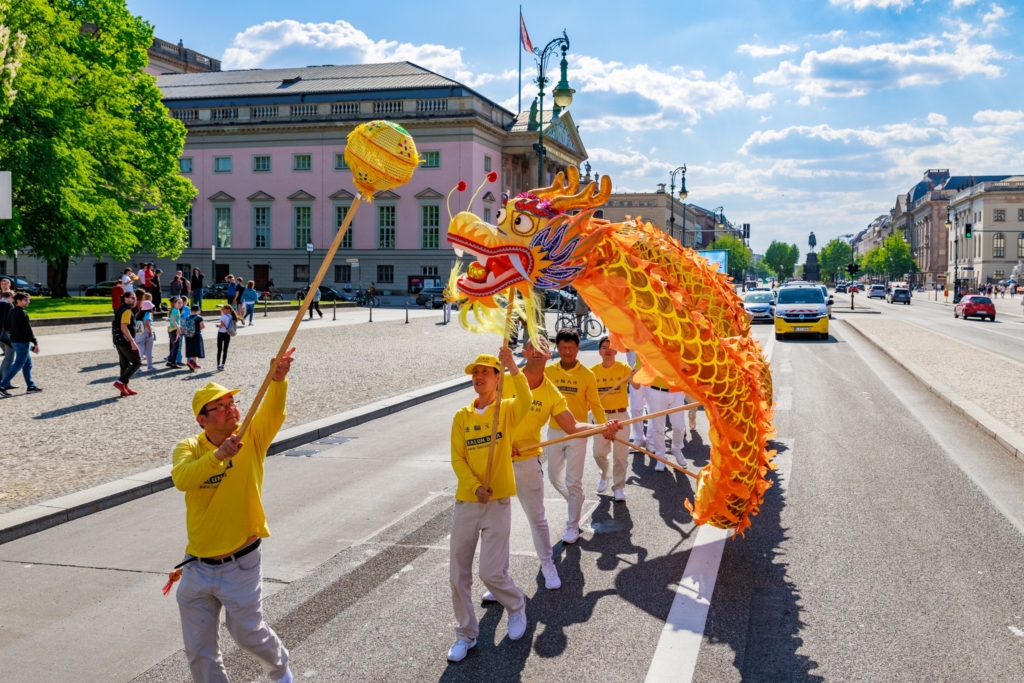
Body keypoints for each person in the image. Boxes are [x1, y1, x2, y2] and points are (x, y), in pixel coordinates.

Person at [170, 350, 296, 683]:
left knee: (248, 635)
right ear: (202, 419)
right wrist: (218, 456)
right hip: (196, 565)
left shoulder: (252, 436)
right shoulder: (189, 447)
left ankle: (280, 669)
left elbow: (274, 411)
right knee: (199, 652)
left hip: (240, 564)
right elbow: (182, 479)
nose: (231, 409)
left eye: (231, 403)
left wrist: (278, 378)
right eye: (220, 406)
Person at [487, 337, 618, 601]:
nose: (538, 351)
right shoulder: (504, 378)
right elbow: (484, 412)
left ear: (550, 356)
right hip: (497, 459)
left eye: (544, 348)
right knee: (497, 523)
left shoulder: (551, 392)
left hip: (527, 460)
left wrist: (602, 427)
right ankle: (498, 580)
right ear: (525, 352)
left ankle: (548, 564)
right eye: (533, 347)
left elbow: (572, 427)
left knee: (537, 518)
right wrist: (502, 439)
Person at [447, 349, 531, 663]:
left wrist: (513, 367)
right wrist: (474, 487)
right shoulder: (462, 416)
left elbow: (525, 400)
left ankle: (516, 604)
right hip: (467, 503)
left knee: (491, 573)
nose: (479, 377)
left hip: (497, 503)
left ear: (497, 379)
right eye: (475, 373)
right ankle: (466, 634)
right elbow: (457, 459)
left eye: (486, 372)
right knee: (458, 575)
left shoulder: (506, 410)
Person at [543, 328, 607, 544]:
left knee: (574, 480)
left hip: (578, 433)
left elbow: (596, 405)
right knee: (553, 476)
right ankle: (575, 499)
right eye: (563, 347)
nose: (567, 351)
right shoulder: (549, 372)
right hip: (554, 430)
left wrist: (604, 426)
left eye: (571, 347)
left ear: (578, 348)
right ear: (558, 348)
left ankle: (573, 525)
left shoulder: (587, 375)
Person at [591, 338, 633, 502]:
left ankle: (618, 487)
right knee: (598, 453)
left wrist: (635, 376)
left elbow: (635, 386)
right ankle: (605, 474)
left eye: (611, 348)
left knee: (621, 456)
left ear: (616, 351)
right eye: (604, 348)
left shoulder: (623, 368)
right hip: (601, 417)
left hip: (620, 416)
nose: (607, 350)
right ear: (599, 351)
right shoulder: (592, 372)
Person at [635, 356, 688, 470]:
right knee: (658, 428)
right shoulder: (653, 348)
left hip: (677, 391)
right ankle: (661, 457)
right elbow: (642, 357)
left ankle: (676, 449)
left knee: (679, 427)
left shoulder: (677, 346)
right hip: (657, 391)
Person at [0, 292, 41, 396]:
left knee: (27, 364)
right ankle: (2, 385)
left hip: (15, 341)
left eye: (29, 300)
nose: (28, 302)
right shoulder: (22, 313)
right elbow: (27, 329)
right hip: (22, 342)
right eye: (26, 300)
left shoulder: (12, 311)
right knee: (18, 364)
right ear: (18, 301)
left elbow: (9, 326)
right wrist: (34, 342)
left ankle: (31, 386)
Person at [112, 290, 141, 397]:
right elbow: (123, 327)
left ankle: (124, 388)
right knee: (137, 362)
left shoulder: (121, 309)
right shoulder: (127, 311)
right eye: (132, 298)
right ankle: (120, 382)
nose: (135, 300)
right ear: (126, 299)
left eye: (135, 298)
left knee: (124, 364)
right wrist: (132, 341)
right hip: (125, 340)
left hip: (118, 340)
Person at [135, 297, 157, 373]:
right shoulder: (148, 314)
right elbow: (147, 322)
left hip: (139, 334)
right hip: (148, 334)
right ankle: (149, 366)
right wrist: (150, 331)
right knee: (149, 351)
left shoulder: (138, 314)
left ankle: (137, 368)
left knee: (140, 351)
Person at [184, 304, 206, 372]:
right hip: (196, 335)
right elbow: (202, 326)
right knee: (196, 349)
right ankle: (192, 362)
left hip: (188, 335)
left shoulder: (188, 317)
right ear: (198, 310)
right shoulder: (199, 318)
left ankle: (193, 362)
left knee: (190, 348)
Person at [0, 290, 15, 386]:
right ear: (9, 296)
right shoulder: (9, 306)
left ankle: (2, 379)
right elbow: (12, 322)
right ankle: (6, 382)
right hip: (6, 334)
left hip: (0, 335)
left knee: (6, 358)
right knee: (9, 359)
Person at [216, 305, 236, 371]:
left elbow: (221, 326)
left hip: (221, 333)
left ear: (228, 310)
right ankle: (223, 365)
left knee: (219, 349)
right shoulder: (232, 316)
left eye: (224, 309)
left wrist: (217, 325)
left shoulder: (223, 317)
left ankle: (218, 364)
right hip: (228, 333)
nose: (223, 310)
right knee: (225, 350)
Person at [166, 297, 184, 369]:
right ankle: (173, 363)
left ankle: (170, 361)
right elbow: (174, 321)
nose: (180, 304)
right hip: (174, 330)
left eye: (181, 303)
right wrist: (178, 329)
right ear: (174, 303)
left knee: (173, 346)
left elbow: (172, 320)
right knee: (176, 347)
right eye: (179, 303)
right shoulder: (176, 311)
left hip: (172, 330)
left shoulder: (174, 310)